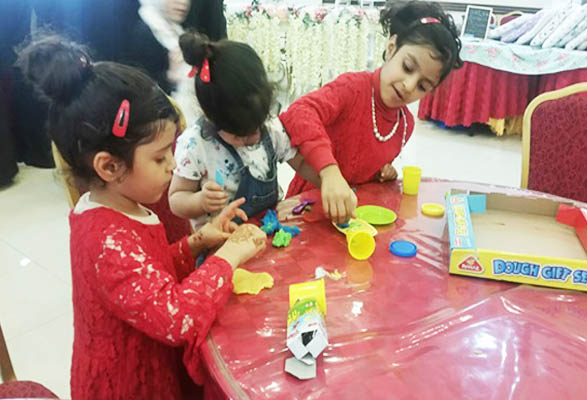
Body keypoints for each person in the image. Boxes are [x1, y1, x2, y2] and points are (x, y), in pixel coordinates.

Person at [17, 34, 267, 400]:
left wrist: (198, 241)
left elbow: (151, 275)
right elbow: (176, 318)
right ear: (109, 166)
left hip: (149, 363)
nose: (172, 166)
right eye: (160, 157)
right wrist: (230, 256)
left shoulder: (125, 205)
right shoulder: (104, 238)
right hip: (125, 387)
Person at [279, 0, 462, 223]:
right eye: (407, 67)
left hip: (352, 216)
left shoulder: (405, 124)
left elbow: (363, 165)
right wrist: (329, 171)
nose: (409, 85)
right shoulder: (352, 88)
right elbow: (299, 112)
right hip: (309, 207)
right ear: (391, 48)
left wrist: (382, 172)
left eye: (422, 86)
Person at [169, 32, 318, 232]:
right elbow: (176, 198)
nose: (253, 139)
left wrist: (329, 181)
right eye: (240, 136)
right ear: (210, 117)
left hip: (269, 231)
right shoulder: (195, 145)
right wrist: (200, 201)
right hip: (222, 242)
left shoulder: (270, 127)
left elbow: (300, 162)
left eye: (257, 128)